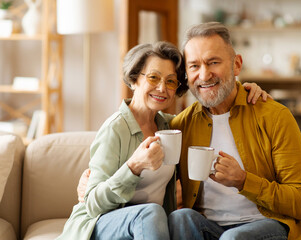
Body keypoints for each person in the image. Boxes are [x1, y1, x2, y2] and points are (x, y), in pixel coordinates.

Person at [58, 41, 267, 240]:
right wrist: (133, 167)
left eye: (170, 81)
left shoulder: (171, 126)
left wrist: (245, 90)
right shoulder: (115, 129)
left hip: (147, 229)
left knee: (157, 214)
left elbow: (214, 110)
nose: (161, 88)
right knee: (150, 212)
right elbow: (93, 204)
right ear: (134, 80)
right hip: (99, 226)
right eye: (153, 78)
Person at [168, 22, 301, 240]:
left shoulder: (275, 117)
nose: (204, 75)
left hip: (266, 225)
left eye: (213, 62)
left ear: (236, 65)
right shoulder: (181, 125)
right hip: (209, 228)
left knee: (233, 238)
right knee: (180, 219)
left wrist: (244, 181)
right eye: (194, 66)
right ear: (186, 74)